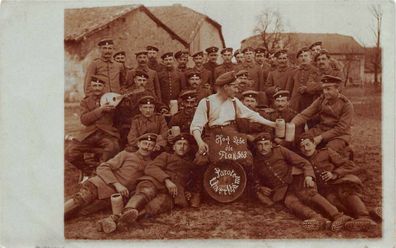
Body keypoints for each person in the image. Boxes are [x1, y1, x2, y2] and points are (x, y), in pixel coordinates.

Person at [189, 71, 276, 207]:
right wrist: (200, 142)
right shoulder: (206, 102)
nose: (237, 89)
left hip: (231, 134)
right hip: (212, 135)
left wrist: (272, 124)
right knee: (201, 159)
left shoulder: (235, 102)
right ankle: (196, 192)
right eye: (234, 87)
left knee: (247, 158)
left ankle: (256, 191)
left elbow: (252, 115)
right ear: (225, 87)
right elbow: (196, 125)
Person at [252, 132, 353, 231]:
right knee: (290, 202)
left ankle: (338, 216)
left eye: (266, 144)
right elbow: (256, 180)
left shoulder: (280, 150)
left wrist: (309, 176)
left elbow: (304, 163)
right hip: (283, 189)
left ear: (271, 144)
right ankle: (318, 219)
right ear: (256, 146)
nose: (263, 147)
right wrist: (260, 187)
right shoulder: (256, 161)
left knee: (309, 192)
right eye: (260, 145)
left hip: (296, 177)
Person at [98, 133, 196, 233]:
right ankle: (124, 214)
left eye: (185, 144)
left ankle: (117, 220)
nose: (182, 147)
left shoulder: (191, 165)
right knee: (145, 192)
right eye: (179, 144)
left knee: (156, 206)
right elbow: (151, 168)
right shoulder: (165, 156)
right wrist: (167, 180)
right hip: (153, 182)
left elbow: (191, 183)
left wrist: (187, 192)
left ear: (189, 148)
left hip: (171, 193)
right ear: (174, 147)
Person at [64, 133, 157, 223]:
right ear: (138, 144)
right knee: (81, 199)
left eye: (150, 145)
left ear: (154, 148)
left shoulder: (151, 165)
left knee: (84, 211)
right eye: (145, 143)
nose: (146, 147)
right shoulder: (126, 154)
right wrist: (117, 184)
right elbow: (102, 167)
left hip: (114, 196)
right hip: (101, 183)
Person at [298, 133, 379, 231]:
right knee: (333, 202)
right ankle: (360, 218)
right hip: (326, 191)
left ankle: (364, 217)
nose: (306, 149)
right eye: (302, 147)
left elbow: (349, 165)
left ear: (314, 144)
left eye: (308, 144)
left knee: (347, 194)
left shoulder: (326, 152)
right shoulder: (301, 162)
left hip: (338, 183)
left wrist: (334, 174)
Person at [65, 76, 120, 176]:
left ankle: (100, 171)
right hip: (89, 134)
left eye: (100, 85)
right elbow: (84, 120)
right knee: (70, 152)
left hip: (106, 133)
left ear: (104, 86)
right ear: (90, 86)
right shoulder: (85, 102)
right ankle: (88, 171)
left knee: (113, 147)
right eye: (95, 85)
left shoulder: (113, 99)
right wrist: (100, 109)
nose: (97, 88)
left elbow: (119, 118)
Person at [290, 75, 353, 155]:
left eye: (328, 89)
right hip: (321, 129)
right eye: (324, 89)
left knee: (327, 152)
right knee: (301, 141)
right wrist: (291, 124)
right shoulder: (321, 99)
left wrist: (321, 137)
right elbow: (305, 115)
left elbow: (341, 129)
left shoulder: (346, 105)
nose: (325, 92)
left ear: (338, 89)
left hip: (339, 135)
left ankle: (345, 152)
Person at [114, 71, 159, 149]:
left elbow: (157, 103)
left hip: (146, 120)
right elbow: (122, 111)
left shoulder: (149, 92)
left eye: (144, 80)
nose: (141, 83)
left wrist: (163, 108)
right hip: (130, 121)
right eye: (139, 80)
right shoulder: (127, 93)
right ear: (135, 80)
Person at [286, 47, 322, 112]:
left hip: (310, 102)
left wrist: (308, 89)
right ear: (298, 59)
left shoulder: (316, 71)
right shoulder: (294, 72)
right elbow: (288, 89)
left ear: (311, 58)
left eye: (306, 56)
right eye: (301, 56)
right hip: (295, 103)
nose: (303, 58)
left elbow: (319, 88)